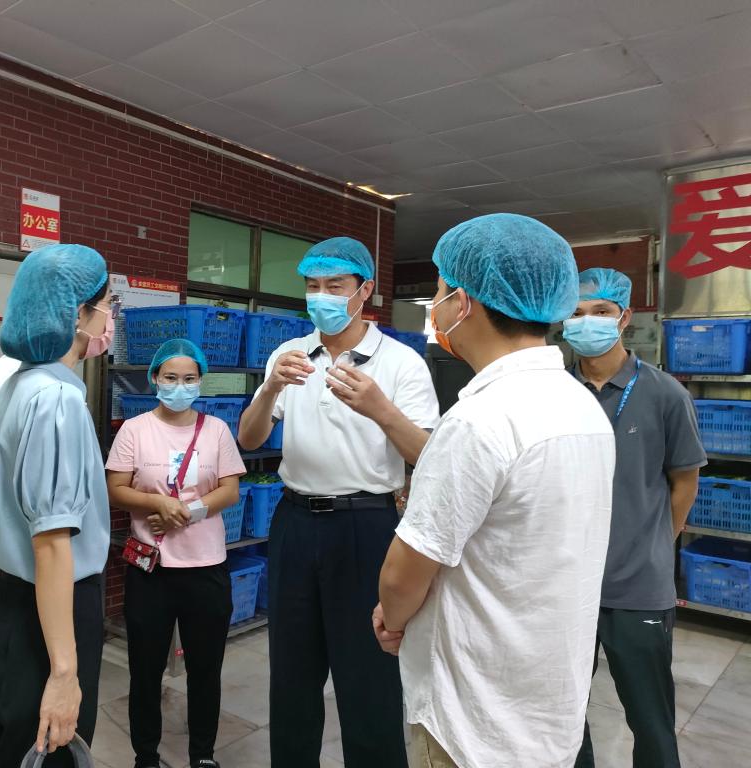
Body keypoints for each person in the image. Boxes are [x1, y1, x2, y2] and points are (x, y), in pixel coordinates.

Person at [375, 214, 617, 768]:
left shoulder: (479, 420)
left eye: (439, 292)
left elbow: (404, 574)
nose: (435, 308)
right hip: (546, 707)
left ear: (463, 304)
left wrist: (393, 617)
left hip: (472, 720)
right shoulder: (581, 405)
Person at [237, 236, 440, 767]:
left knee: (368, 675)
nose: (321, 296)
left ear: (364, 290)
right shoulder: (290, 355)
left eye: (335, 285)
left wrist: (380, 409)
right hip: (295, 521)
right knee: (292, 673)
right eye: (312, 286)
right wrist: (270, 389)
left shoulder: (400, 362)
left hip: (365, 525)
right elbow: (250, 439)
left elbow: (428, 454)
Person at [0, 243, 115, 766]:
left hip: (14, 600)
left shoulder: (19, 385)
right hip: (51, 608)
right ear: (78, 314)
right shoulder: (57, 398)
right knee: (45, 748)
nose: (110, 316)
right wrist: (64, 674)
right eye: (107, 304)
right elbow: (52, 542)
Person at [565, 268, 705, 768]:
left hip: (637, 587)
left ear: (624, 317)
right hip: (564, 584)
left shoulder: (665, 394)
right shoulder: (554, 392)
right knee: (562, 716)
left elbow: (684, 483)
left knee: (650, 720)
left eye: (600, 311)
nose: (587, 322)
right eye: (576, 313)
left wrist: (652, 546)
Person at [106, 339, 247, 768]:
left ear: (200, 381)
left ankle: (202, 755)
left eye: (189, 378)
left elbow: (230, 490)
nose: (179, 386)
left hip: (206, 569)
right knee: (145, 670)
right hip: (150, 570)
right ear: (155, 379)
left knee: (205, 669)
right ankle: (145, 756)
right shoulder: (135, 429)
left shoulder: (216, 430)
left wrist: (184, 512)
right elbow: (115, 489)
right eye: (170, 377)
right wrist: (156, 503)